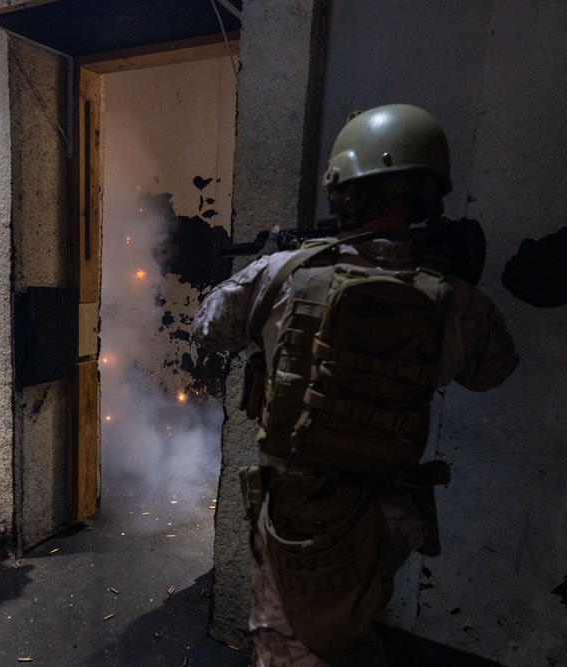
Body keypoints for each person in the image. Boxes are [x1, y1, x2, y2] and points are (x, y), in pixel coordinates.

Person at [193, 104, 518, 666]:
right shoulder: (453, 299)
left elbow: (207, 328)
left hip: (299, 511)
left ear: (344, 190)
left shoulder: (285, 275)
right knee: (354, 619)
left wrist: (271, 264)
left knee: (289, 641)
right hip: (387, 512)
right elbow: (493, 372)